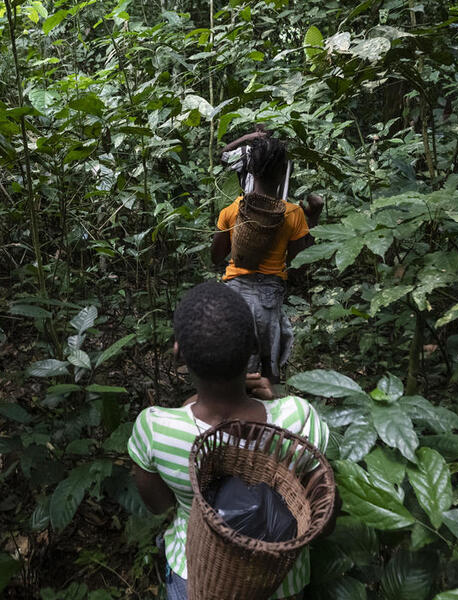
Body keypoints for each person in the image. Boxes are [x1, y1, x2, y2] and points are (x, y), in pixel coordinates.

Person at [127, 281, 331, 600]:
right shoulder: (298, 419)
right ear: (253, 346)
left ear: (179, 353)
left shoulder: (154, 429)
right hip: (280, 582)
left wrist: (191, 403)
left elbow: (159, 505)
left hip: (196, 574)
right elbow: (321, 511)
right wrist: (272, 397)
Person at [211, 130, 324, 383]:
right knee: (268, 368)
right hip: (268, 298)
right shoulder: (292, 214)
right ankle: (267, 414)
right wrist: (313, 219)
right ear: (283, 171)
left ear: (250, 170)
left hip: (234, 291)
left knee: (235, 365)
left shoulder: (232, 210)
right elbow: (298, 268)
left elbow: (216, 257)